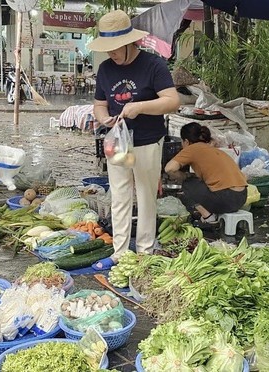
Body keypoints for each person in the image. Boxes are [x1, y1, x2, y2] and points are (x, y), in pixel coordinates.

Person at [90, 10, 180, 270]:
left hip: (147, 142)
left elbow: (172, 101)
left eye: (116, 48)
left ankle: (144, 251)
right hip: (118, 142)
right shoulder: (106, 69)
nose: (111, 54)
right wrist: (104, 117)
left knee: (145, 195)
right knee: (119, 195)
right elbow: (98, 104)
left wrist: (139, 107)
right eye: (108, 49)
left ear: (131, 42)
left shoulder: (154, 65)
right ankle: (119, 252)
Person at [164, 122, 247, 224]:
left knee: (188, 183)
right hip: (241, 198)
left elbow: (169, 168)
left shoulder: (191, 149)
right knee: (199, 182)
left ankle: (208, 217)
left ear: (186, 141)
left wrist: (183, 176)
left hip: (226, 199)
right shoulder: (213, 149)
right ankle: (212, 212)